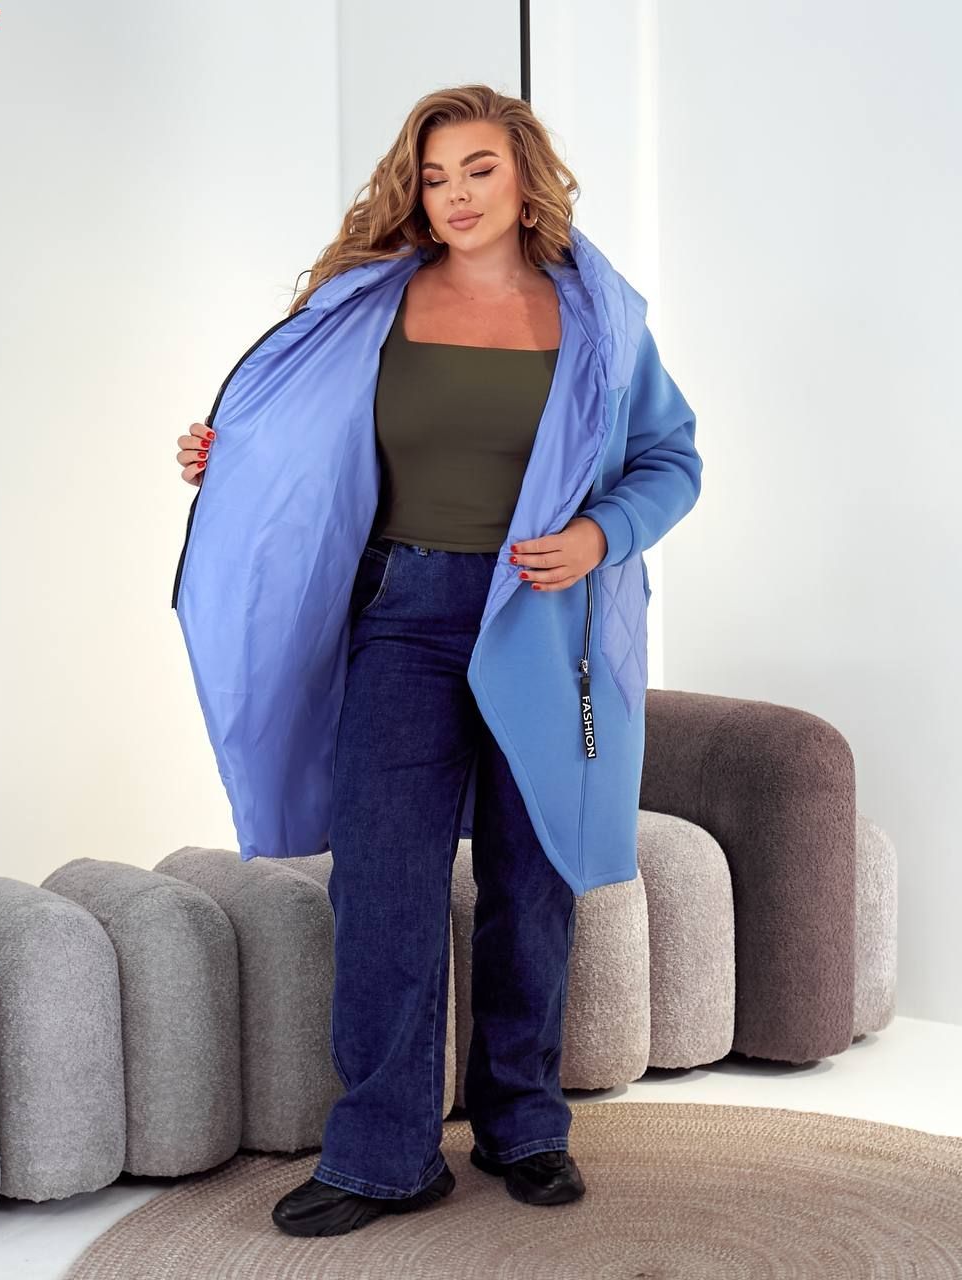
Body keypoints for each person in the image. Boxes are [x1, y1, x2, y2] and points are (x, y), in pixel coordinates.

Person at [173, 84, 702, 1238]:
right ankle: (383, 1152)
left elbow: (672, 459)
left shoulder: (599, 319)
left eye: (477, 168)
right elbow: (297, 437)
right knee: (381, 880)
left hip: (544, 619)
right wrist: (230, 456)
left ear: (524, 177)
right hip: (403, 611)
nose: (454, 193)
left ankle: (524, 1124)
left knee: (529, 877)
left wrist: (599, 533)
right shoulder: (373, 299)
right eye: (433, 174)